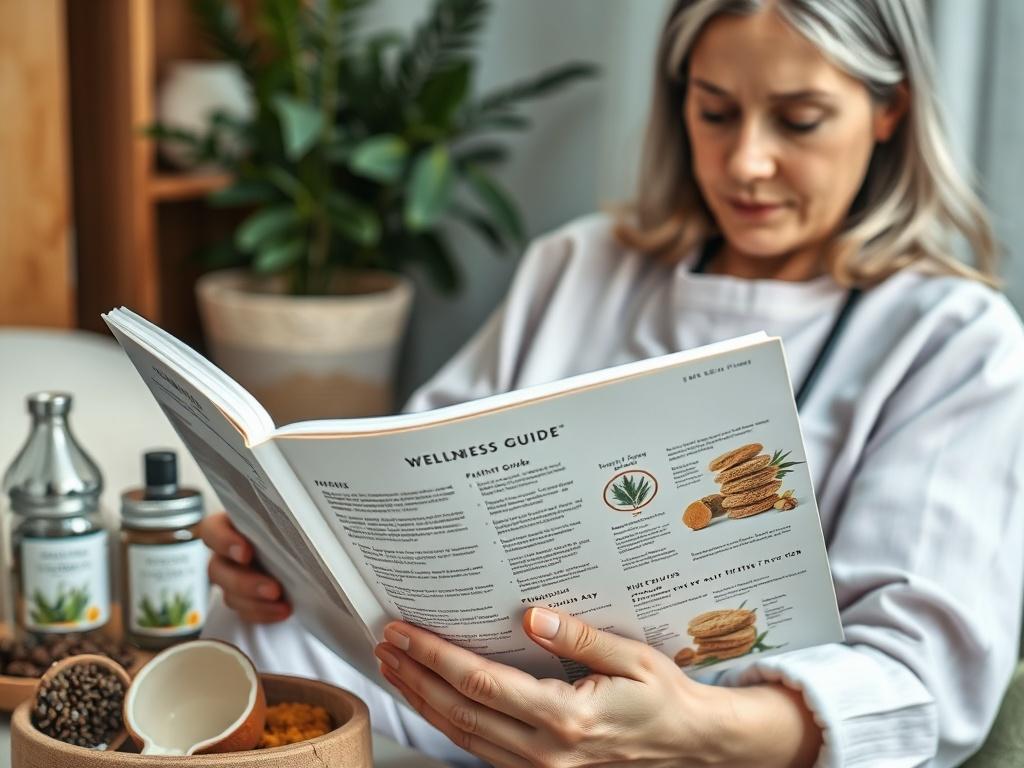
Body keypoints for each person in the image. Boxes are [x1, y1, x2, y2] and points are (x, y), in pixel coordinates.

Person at [199, 0, 1024, 765]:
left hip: (719, 745)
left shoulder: (953, 340)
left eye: (800, 120)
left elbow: (922, 679)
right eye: (714, 112)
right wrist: (286, 552)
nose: (748, 161)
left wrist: (695, 733)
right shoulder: (582, 264)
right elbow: (402, 484)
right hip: (463, 697)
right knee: (248, 637)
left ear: (891, 110)